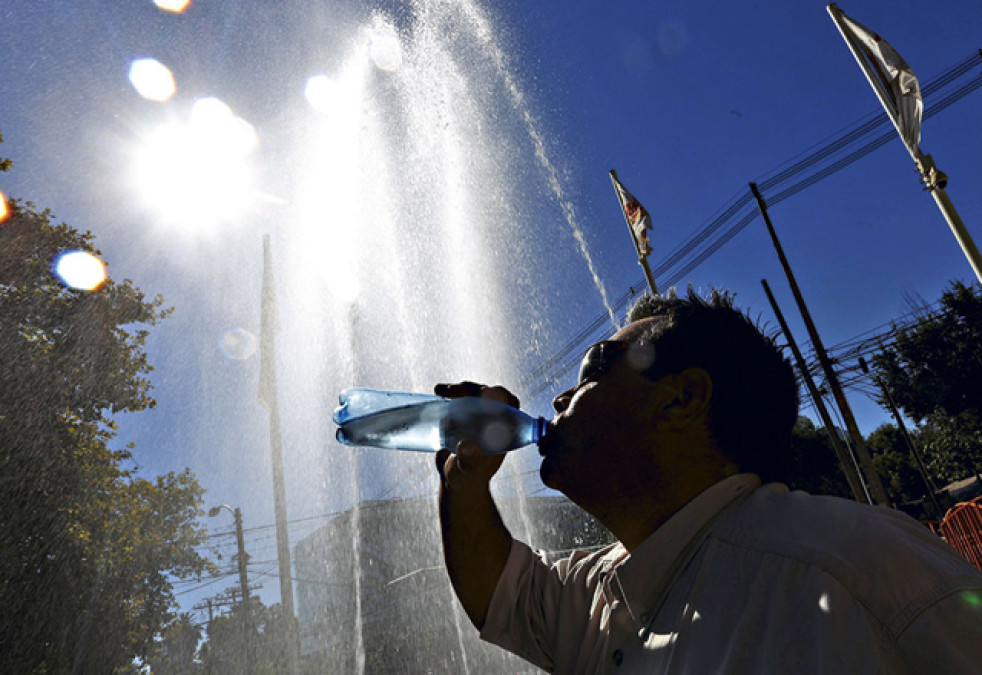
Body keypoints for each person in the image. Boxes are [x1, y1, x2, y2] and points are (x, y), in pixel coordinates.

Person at [433, 287, 982, 674]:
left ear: (683, 398)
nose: (560, 398)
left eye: (595, 366)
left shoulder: (853, 563)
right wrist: (464, 483)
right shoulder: (607, 589)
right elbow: (501, 593)